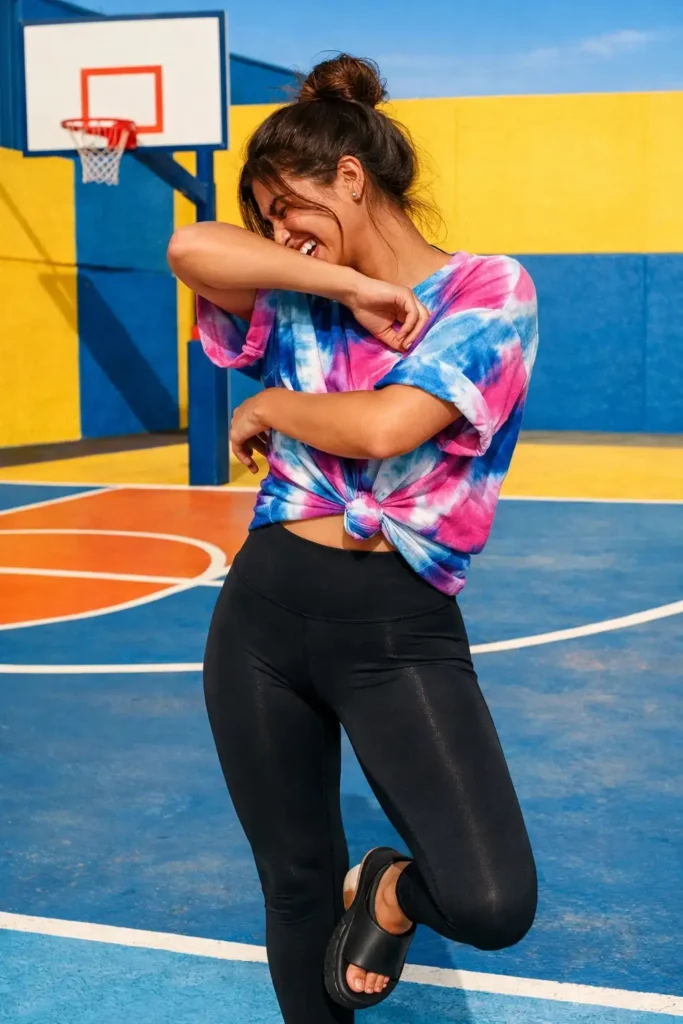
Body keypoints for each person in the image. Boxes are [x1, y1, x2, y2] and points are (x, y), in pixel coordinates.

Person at [168, 53, 539, 1024]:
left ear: (349, 176)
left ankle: (385, 887)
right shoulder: (300, 287)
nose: (278, 234)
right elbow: (190, 248)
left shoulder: (488, 290)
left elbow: (385, 428)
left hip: (394, 626)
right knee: (293, 883)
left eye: (289, 207)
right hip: (263, 613)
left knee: (489, 902)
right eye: (265, 221)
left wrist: (271, 406)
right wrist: (332, 281)